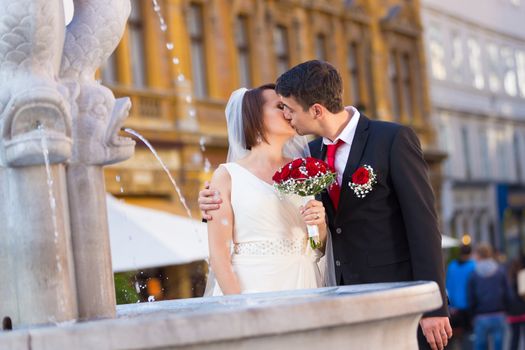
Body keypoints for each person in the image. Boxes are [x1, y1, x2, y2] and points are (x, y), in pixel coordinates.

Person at [199, 60, 451, 350]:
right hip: (335, 297)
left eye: (289, 108)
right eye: (280, 108)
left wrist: (434, 305)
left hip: (392, 295)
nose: (287, 115)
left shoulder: (391, 139)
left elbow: (423, 226)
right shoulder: (309, 159)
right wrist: (209, 201)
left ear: (316, 110)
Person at [205, 83, 333, 296]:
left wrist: (319, 224)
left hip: (304, 281)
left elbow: (318, 246)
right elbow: (219, 255)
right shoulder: (227, 176)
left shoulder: (304, 169)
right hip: (253, 286)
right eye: (280, 106)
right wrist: (240, 306)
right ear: (255, 116)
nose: (289, 112)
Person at [467, 243, 511, 350]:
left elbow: (470, 297)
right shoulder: (500, 271)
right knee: (499, 346)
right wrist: (506, 309)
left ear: (478, 255)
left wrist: (472, 314)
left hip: (481, 315)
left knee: (480, 346)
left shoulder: (473, 274)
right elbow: (508, 293)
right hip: (499, 313)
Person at [446, 245, 476, 349]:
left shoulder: (452, 266)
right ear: (470, 253)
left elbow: (448, 286)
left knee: (455, 335)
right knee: (469, 335)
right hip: (469, 305)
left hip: (454, 307)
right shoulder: (473, 266)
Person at [506, 256, 525, 350]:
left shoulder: (509, 278)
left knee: (515, 338)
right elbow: (522, 293)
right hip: (522, 310)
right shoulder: (521, 275)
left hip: (512, 312)